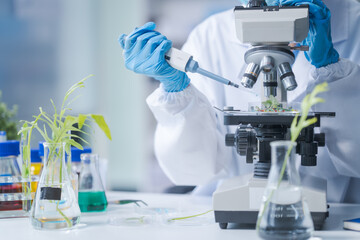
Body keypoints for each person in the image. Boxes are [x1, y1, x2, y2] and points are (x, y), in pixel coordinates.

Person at [119, 0, 360, 203]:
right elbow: (189, 169)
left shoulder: (355, 24)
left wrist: (332, 69)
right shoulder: (212, 34)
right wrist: (175, 89)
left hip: (339, 210)